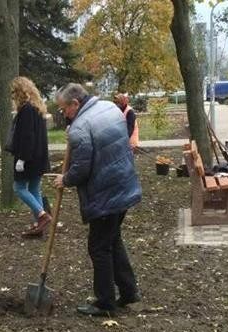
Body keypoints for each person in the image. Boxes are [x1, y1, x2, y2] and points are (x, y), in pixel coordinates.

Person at [52, 83, 142, 317]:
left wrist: (65, 179)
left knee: (99, 247)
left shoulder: (80, 127)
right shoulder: (109, 108)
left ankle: (105, 302)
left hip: (106, 194)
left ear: (75, 104)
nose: (64, 114)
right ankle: (129, 291)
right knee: (112, 240)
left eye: (64, 109)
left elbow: (81, 168)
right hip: (124, 184)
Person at [7, 76, 51, 237]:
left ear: (20, 92)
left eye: (14, 92)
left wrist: (22, 159)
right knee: (34, 188)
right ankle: (40, 226)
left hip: (28, 158)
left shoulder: (26, 110)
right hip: (39, 157)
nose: (12, 96)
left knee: (19, 188)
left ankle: (42, 215)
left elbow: (27, 136)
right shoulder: (38, 108)